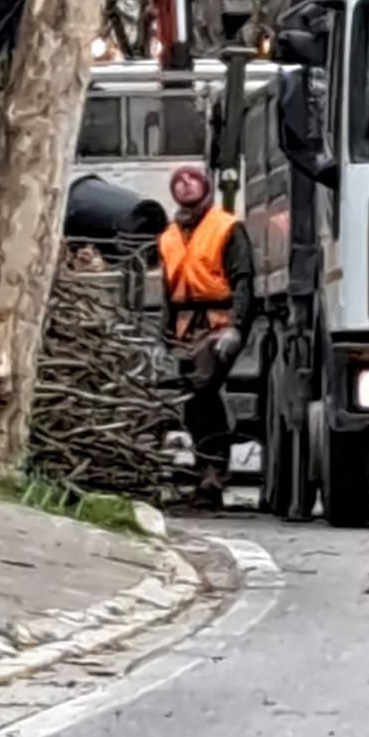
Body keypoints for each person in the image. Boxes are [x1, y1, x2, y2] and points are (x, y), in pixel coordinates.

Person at [158, 165, 254, 507]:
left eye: (191, 179)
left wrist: (236, 326)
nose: (184, 185)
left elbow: (243, 280)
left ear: (205, 187)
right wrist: (164, 334)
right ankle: (203, 470)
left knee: (203, 392)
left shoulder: (227, 228)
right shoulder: (169, 236)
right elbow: (167, 291)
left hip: (218, 323)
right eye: (178, 182)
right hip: (185, 327)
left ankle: (213, 471)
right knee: (189, 400)